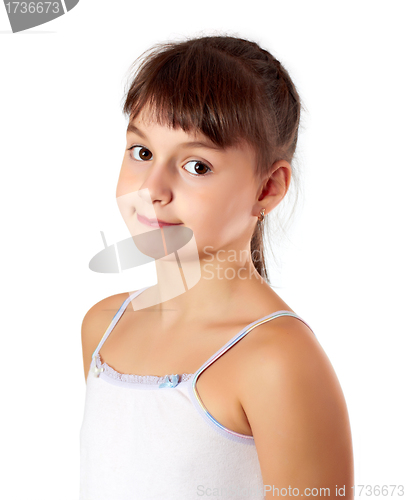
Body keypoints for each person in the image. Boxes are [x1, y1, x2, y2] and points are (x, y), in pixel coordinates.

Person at [79, 35, 354, 499]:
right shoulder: (104, 327)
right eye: (142, 152)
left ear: (267, 188)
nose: (153, 188)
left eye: (197, 165)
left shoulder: (277, 361)